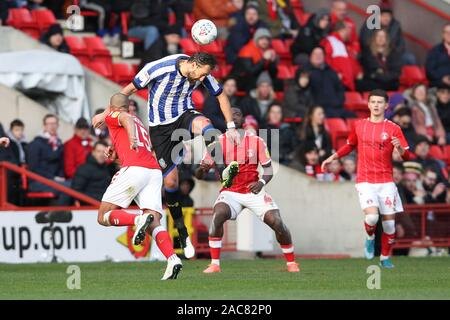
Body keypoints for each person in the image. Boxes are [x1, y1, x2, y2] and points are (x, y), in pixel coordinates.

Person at [92, 52, 240, 259]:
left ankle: (224, 173)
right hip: (161, 130)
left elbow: (221, 95)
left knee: (207, 127)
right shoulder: (159, 68)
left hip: (184, 115)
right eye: (201, 74)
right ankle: (182, 234)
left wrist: (231, 127)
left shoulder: (202, 74)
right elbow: (128, 90)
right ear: (194, 65)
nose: (200, 79)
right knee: (170, 183)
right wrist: (105, 113)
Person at [195, 106, 300, 273]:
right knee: (218, 215)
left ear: (242, 119)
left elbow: (268, 169)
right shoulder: (216, 143)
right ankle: (215, 264)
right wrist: (202, 168)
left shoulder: (256, 140)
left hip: (253, 190)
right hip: (231, 192)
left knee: (277, 222)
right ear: (226, 120)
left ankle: (292, 263)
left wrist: (261, 183)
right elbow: (198, 175)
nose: (234, 116)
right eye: (231, 114)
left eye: (238, 114)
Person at [321, 89, 414, 268]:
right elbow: (349, 146)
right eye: (373, 102)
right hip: (365, 180)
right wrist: (333, 157)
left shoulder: (394, 128)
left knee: (390, 227)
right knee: (372, 218)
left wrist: (400, 150)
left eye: (380, 102)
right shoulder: (359, 125)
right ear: (368, 104)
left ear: (386, 106)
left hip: (386, 181)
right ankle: (370, 237)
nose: (376, 105)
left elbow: (408, 156)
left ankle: (385, 258)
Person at [97, 93, 182, 280]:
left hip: (135, 170)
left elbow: (123, 118)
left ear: (113, 108)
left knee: (103, 216)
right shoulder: (138, 122)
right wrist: (115, 152)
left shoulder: (118, 116)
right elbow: (131, 145)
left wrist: (131, 137)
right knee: (154, 222)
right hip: (153, 171)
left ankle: (137, 221)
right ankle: (172, 258)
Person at [27, 114, 71, 205]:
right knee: (70, 187)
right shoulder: (36, 144)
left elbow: (60, 165)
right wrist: (53, 178)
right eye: (49, 124)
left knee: (75, 185)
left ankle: (59, 212)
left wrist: (60, 177)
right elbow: (33, 168)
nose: (52, 126)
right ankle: (59, 214)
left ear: (58, 125)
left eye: (54, 123)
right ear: (44, 126)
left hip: (55, 181)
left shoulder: (58, 143)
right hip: (38, 181)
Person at [304, 47, 351, 118]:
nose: (318, 56)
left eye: (320, 54)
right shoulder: (305, 72)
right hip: (319, 109)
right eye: (315, 54)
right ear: (311, 56)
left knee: (353, 117)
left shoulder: (331, 72)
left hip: (336, 107)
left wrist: (338, 102)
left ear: (324, 56)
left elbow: (340, 89)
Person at [231, 28, 278, 92]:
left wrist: (272, 62)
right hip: (241, 79)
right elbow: (251, 72)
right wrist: (264, 59)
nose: (264, 41)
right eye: (261, 39)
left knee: (278, 83)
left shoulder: (268, 51)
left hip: (257, 78)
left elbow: (273, 74)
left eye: (267, 39)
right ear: (256, 39)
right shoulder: (247, 50)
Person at [320, 21, 362, 92]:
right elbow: (326, 60)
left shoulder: (342, 44)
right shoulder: (331, 41)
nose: (350, 33)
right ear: (343, 30)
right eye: (348, 30)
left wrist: (358, 71)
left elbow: (350, 62)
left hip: (347, 82)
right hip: (339, 83)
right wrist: (336, 74)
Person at [425, 23, 450, 88]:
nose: (449, 35)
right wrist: (443, 78)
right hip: (439, 85)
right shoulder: (434, 51)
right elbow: (429, 71)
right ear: (443, 35)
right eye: (446, 32)